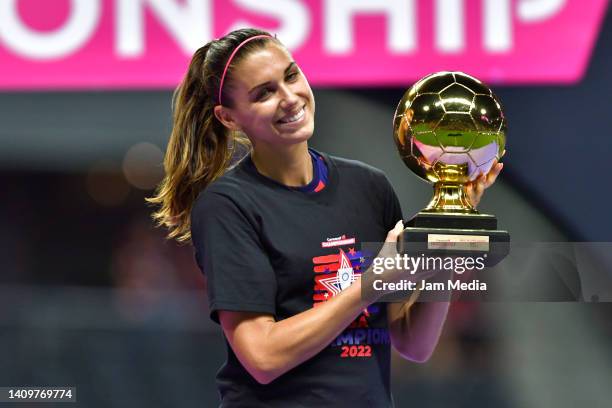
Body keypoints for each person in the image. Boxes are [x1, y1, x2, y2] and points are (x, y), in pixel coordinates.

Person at [148, 28, 502, 407]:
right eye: (264, 93)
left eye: (291, 75)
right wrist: (370, 283)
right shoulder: (228, 206)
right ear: (229, 118)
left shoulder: (369, 187)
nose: (289, 98)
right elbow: (263, 358)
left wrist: (447, 236)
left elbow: (413, 343)